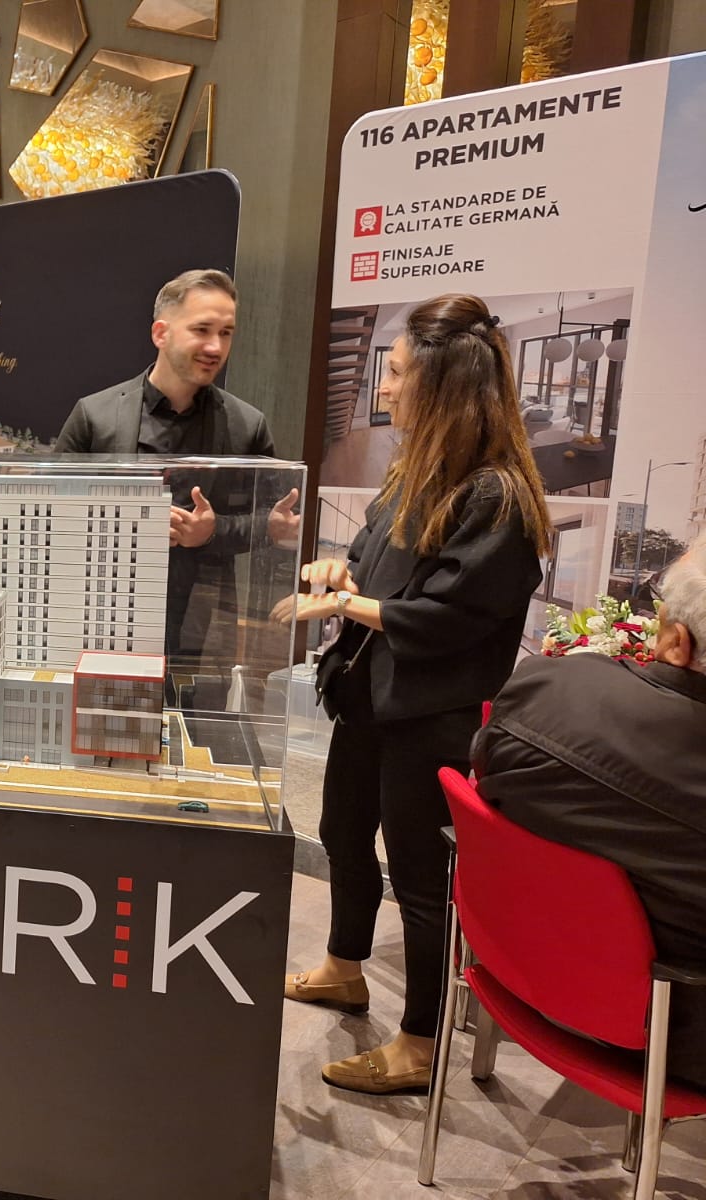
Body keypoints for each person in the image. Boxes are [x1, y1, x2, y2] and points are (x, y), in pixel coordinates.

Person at [275, 293, 551, 1096]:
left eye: (396, 374)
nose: (385, 388)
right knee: (342, 832)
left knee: (422, 881)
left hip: (430, 717)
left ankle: (419, 1043)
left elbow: (449, 616)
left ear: (443, 384)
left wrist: (346, 604)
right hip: (370, 697)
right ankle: (344, 965)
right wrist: (338, 569)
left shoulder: (497, 496)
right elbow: (371, 558)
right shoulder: (415, 473)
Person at [473, 539, 706, 1090]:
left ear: (675, 641)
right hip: (675, 1036)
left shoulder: (546, 688)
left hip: (516, 971)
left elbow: (483, 773)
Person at [52, 269, 299, 680]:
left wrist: (213, 531)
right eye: (202, 329)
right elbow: (49, 512)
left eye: (226, 333)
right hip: (101, 614)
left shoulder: (247, 426)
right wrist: (126, 524)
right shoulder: (94, 416)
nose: (215, 346)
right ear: (160, 333)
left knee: (194, 719)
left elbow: (275, 524)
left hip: (202, 628)